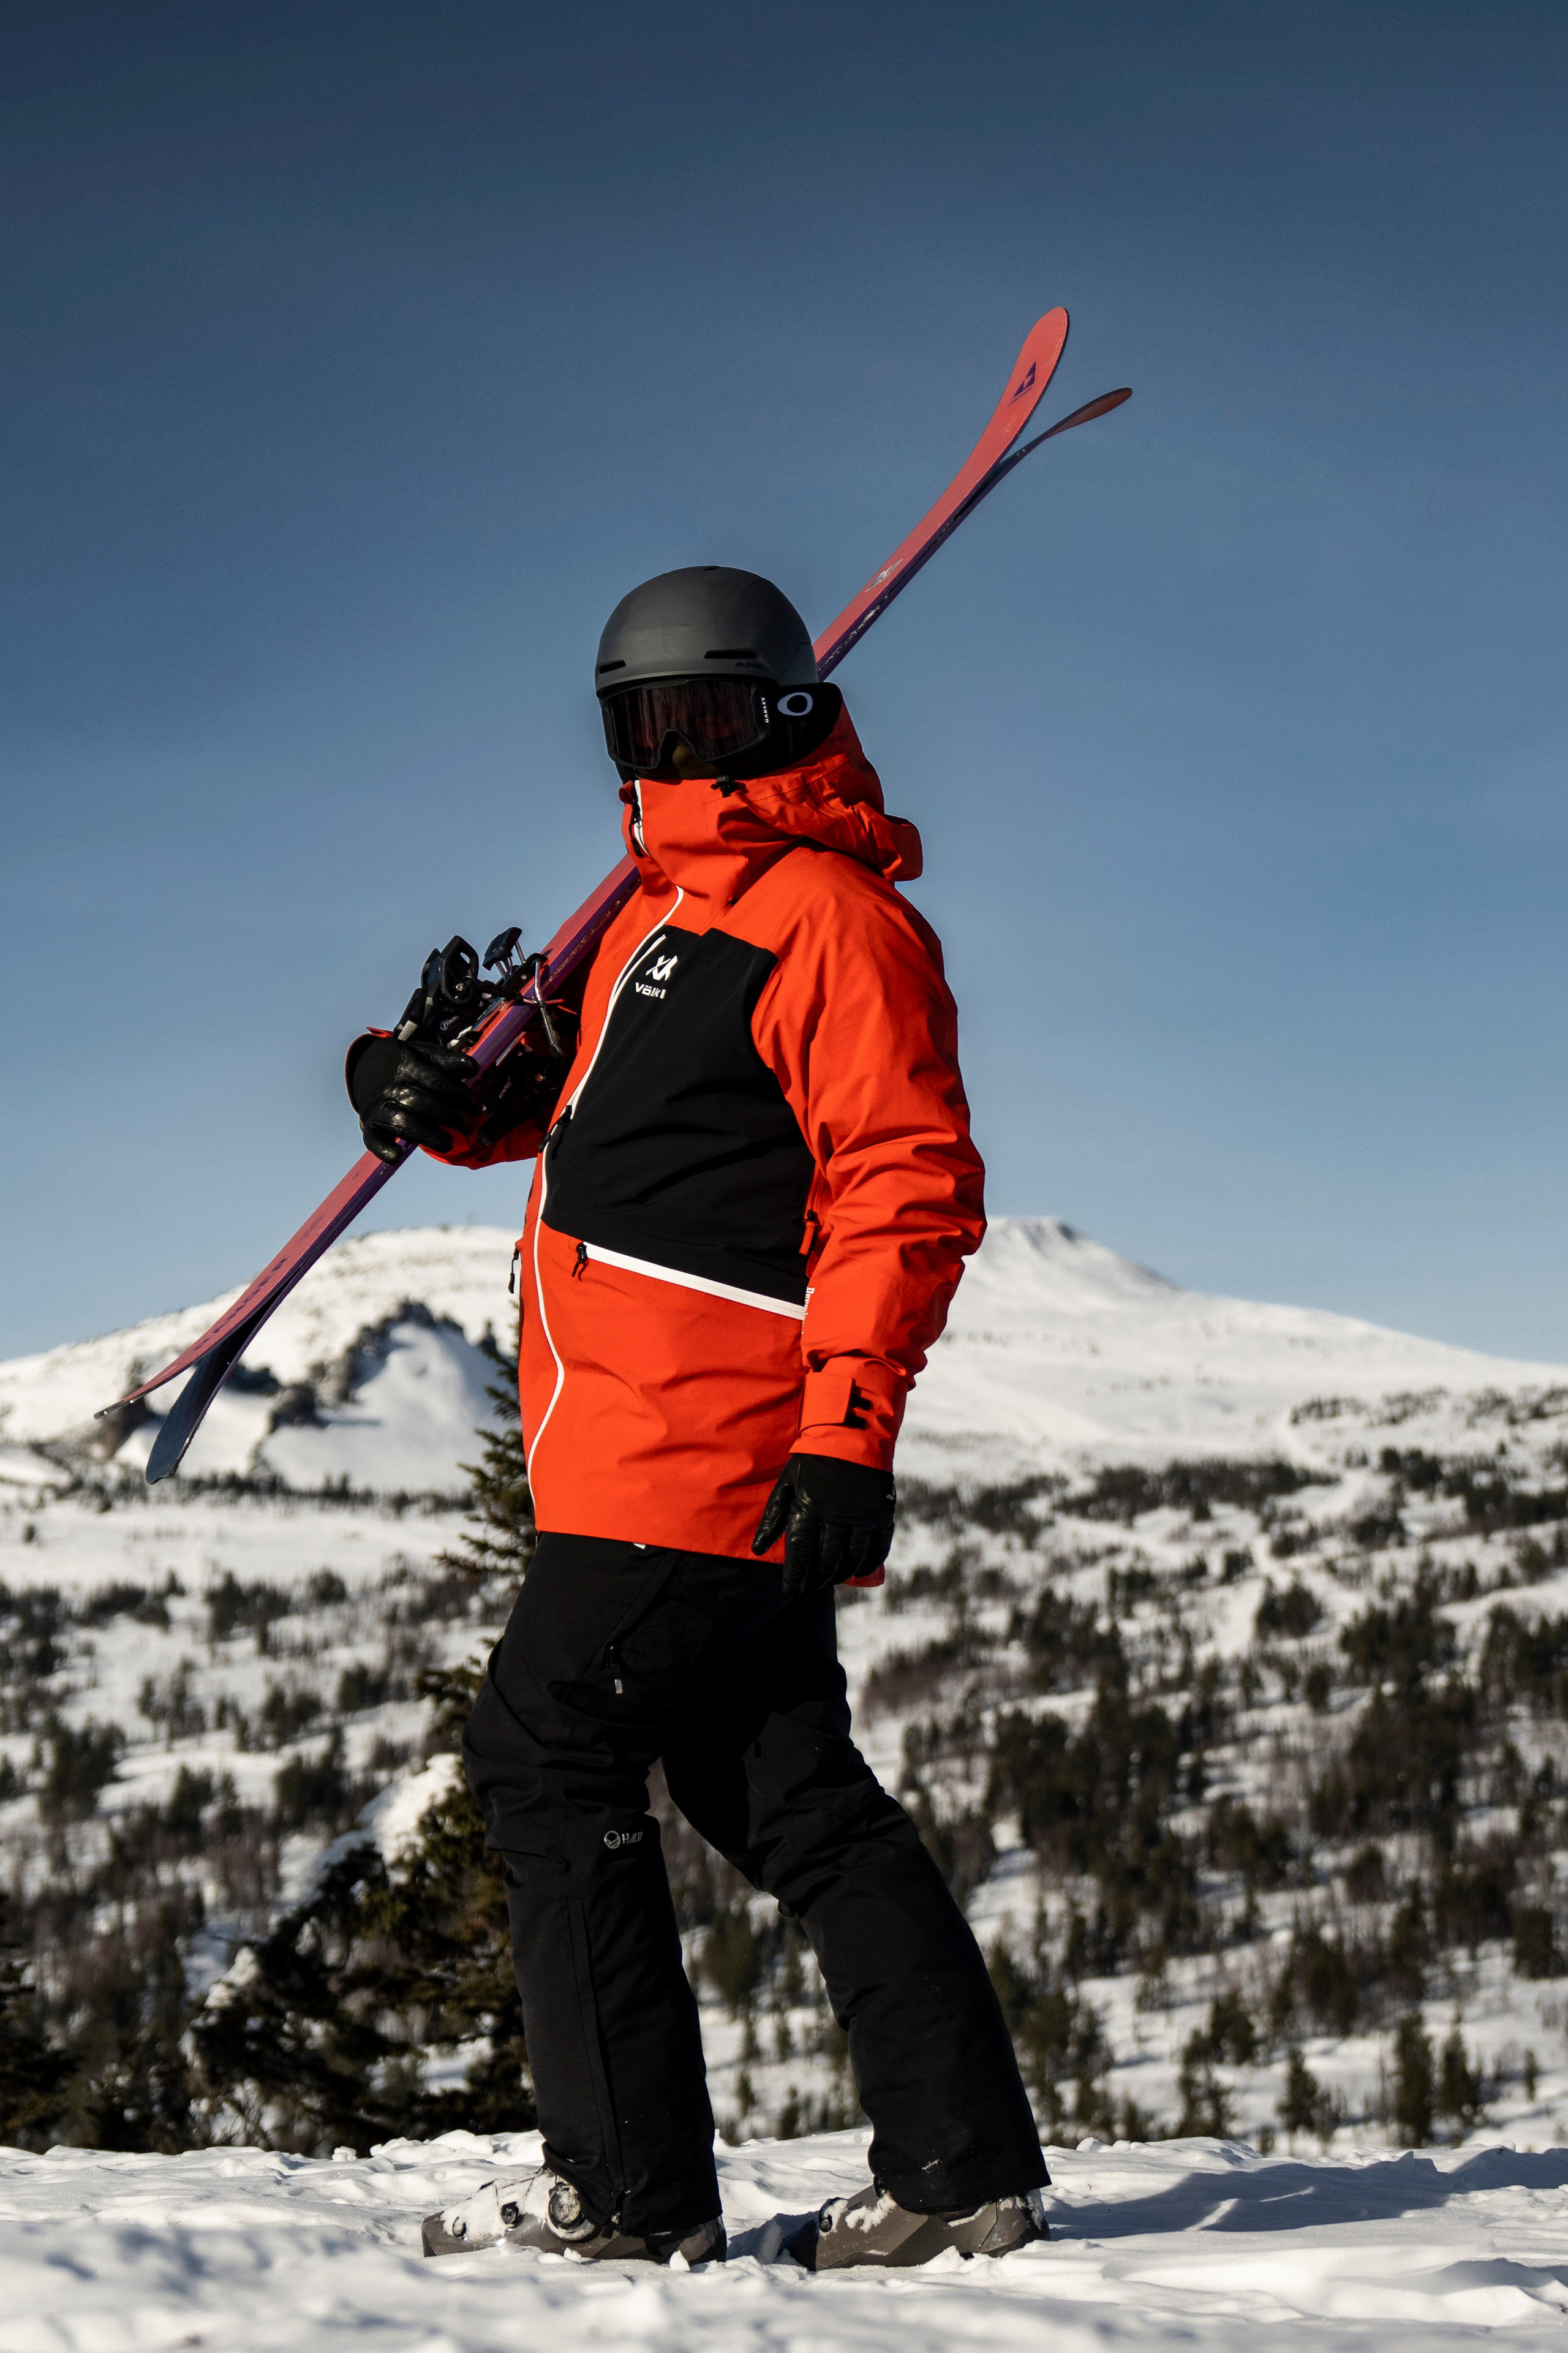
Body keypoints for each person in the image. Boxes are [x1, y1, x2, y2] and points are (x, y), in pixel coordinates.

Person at [347, 567, 1049, 2270]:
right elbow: (570, 1123)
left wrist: (848, 1429)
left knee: (542, 1749)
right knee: (790, 1793)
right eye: (644, 722)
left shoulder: (835, 920)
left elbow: (909, 1189)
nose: (675, 748)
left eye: (707, 717)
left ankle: (628, 2189)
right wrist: (419, 1090)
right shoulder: (647, 921)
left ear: (787, 715)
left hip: (701, 1449)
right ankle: (959, 2171)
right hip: (625, 1449)